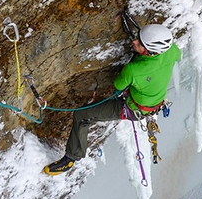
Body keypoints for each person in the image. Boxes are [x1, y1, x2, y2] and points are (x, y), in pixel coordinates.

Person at [43, 24, 181, 175]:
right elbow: (176, 55)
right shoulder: (171, 50)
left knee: (82, 116)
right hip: (153, 102)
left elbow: (118, 85)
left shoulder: (134, 70)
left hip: (133, 109)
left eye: (140, 43)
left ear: (149, 51)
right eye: (138, 37)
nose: (134, 42)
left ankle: (70, 158)